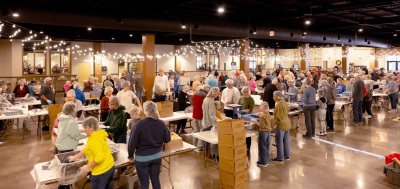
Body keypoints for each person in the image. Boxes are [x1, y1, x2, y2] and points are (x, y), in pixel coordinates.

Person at [128, 101, 171, 189]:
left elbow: (132, 142)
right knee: (155, 180)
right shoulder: (161, 123)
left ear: (145, 110)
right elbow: (167, 139)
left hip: (142, 158)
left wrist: (130, 155)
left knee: (144, 183)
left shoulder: (139, 124)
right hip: (157, 156)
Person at [69, 117, 115, 189]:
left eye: (84, 128)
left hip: (101, 171)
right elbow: (87, 148)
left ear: (88, 127)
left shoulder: (94, 139)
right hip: (110, 166)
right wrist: (76, 157)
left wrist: (88, 166)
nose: (84, 130)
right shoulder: (97, 134)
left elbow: (99, 158)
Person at [271, 91, 291, 162]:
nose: (273, 98)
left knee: (279, 142)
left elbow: (279, 117)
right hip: (287, 123)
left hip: (281, 125)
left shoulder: (278, 104)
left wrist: (275, 124)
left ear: (277, 96)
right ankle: (287, 155)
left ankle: (280, 158)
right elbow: (288, 111)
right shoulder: (284, 102)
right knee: (286, 141)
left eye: (274, 96)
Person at [254, 102, 272, 167]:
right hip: (268, 132)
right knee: (266, 146)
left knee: (262, 147)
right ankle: (266, 161)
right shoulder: (268, 114)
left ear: (263, 107)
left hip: (263, 132)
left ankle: (263, 162)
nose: (259, 107)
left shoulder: (262, 116)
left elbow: (260, 125)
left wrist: (255, 122)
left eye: (260, 106)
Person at [192, 85, 210, 149]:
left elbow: (193, 103)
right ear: (206, 89)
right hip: (201, 114)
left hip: (195, 114)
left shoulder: (195, 93)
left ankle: (194, 144)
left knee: (196, 129)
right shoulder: (205, 95)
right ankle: (199, 146)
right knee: (201, 130)